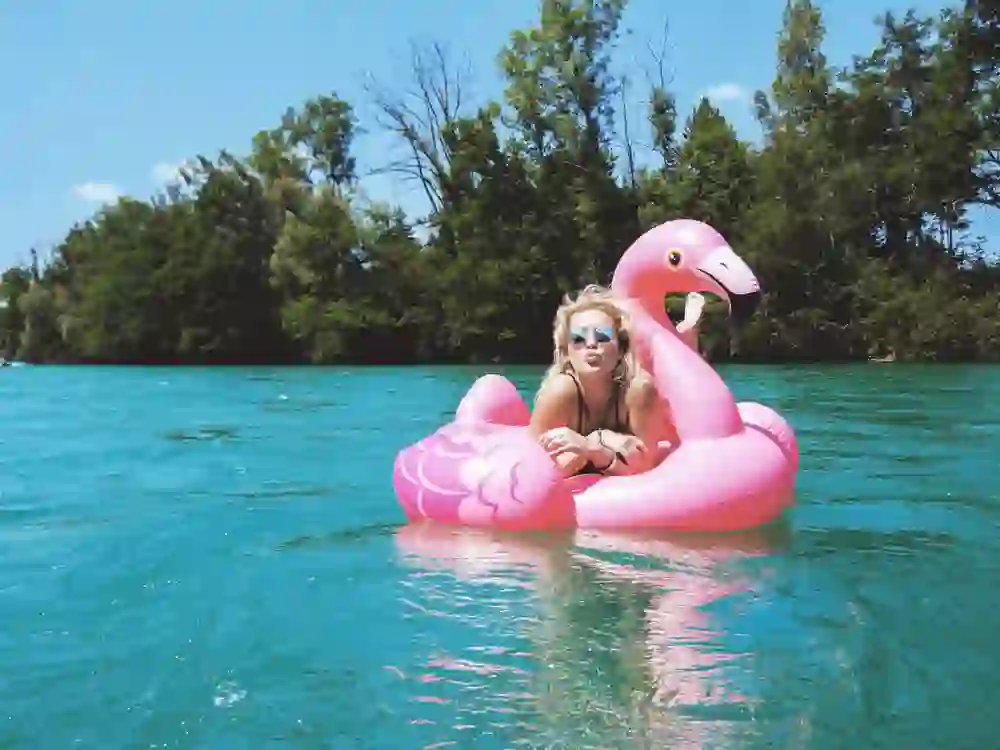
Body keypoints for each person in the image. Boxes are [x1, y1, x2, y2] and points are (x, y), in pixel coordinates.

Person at [528, 284, 704, 477]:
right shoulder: (560, 393)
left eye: (602, 337)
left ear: (621, 348)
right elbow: (534, 469)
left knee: (673, 383)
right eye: (578, 339)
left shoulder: (637, 392)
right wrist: (599, 447)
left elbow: (648, 467)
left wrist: (593, 445)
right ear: (567, 353)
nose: (591, 344)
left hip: (655, 421)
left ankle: (687, 334)